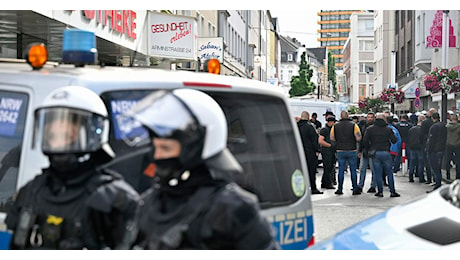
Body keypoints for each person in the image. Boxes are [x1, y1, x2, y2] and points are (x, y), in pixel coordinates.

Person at [123, 89, 279, 249]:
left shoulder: (234, 210)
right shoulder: (151, 202)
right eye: (155, 147)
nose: (157, 155)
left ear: (194, 149)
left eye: (166, 148)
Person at [5, 86, 139, 249]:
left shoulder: (115, 198)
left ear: (93, 133)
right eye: (52, 136)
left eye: (68, 135)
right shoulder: (32, 191)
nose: (58, 143)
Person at [362, 113, 400, 198]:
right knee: (389, 172)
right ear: (384, 120)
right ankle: (392, 191)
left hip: (375, 152)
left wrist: (370, 148)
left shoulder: (370, 129)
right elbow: (394, 140)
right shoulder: (388, 129)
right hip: (386, 152)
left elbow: (365, 141)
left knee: (378, 172)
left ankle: (380, 192)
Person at [330, 110, 362, 195]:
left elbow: (332, 137)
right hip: (352, 150)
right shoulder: (354, 125)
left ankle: (340, 189)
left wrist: (339, 140)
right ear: (348, 116)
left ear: (340, 116)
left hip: (340, 150)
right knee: (353, 170)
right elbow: (358, 138)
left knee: (341, 170)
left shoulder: (335, 126)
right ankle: (355, 188)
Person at [298, 111, 322, 194]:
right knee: (311, 170)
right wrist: (317, 150)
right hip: (309, 152)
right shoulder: (309, 127)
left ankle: (301, 188)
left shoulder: (296, 126)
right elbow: (314, 140)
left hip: (299, 152)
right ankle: (313, 188)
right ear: (308, 117)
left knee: (300, 171)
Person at [426, 112, 447, 193]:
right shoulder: (443, 126)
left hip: (434, 151)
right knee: (438, 168)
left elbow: (431, 140)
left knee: (435, 169)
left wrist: (428, 149)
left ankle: (437, 186)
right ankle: (438, 184)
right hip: (441, 149)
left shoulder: (434, 127)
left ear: (432, 118)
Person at [357, 112, 376, 192]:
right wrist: (360, 150)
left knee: (373, 169)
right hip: (365, 150)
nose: (370, 119)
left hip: (373, 150)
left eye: (371, 117)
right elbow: (362, 139)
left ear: (374, 118)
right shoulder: (364, 127)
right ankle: (360, 185)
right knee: (362, 169)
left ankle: (373, 186)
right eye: (368, 117)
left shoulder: (375, 127)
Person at [318, 115, 336, 189]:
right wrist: (330, 145)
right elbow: (320, 140)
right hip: (326, 151)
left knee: (329, 167)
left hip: (330, 151)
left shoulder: (331, 129)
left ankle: (324, 182)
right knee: (328, 167)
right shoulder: (325, 130)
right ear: (330, 122)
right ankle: (328, 183)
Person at [407, 115, 426, 183]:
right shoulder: (423, 130)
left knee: (412, 163)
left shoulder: (412, 129)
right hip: (420, 147)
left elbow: (409, 138)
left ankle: (410, 177)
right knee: (421, 163)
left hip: (412, 147)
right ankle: (421, 177)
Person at [421, 108, 437, 184]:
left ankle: (429, 179)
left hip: (426, 144)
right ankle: (435, 179)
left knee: (427, 162)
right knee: (435, 163)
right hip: (436, 145)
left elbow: (421, 133)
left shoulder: (425, 122)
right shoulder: (438, 123)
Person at [446, 113, 460, 180]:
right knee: (458, 161)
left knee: (448, 160)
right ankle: (458, 176)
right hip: (457, 145)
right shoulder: (459, 127)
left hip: (448, 145)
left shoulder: (447, 126)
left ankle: (447, 175)